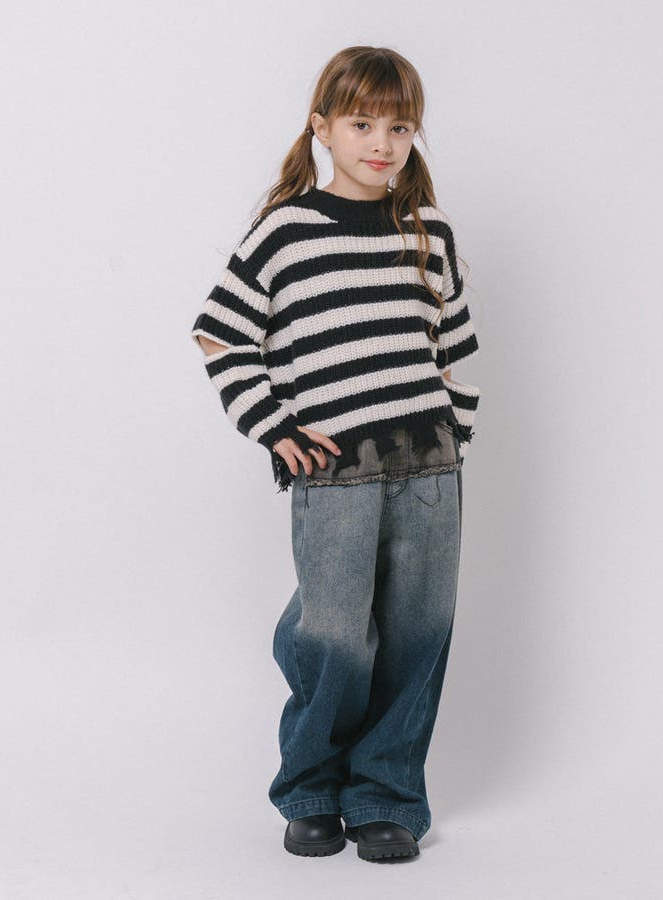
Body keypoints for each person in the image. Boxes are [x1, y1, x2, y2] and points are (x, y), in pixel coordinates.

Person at [189, 45, 481, 862]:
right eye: (361, 124)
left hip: (430, 470)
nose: (381, 143)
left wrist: (455, 429)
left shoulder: (429, 232)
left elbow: (453, 346)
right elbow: (219, 333)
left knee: (418, 634)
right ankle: (311, 787)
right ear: (322, 127)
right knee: (333, 633)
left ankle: (386, 795)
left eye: (399, 127)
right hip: (334, 471)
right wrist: (274, 426)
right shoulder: (286, 231)